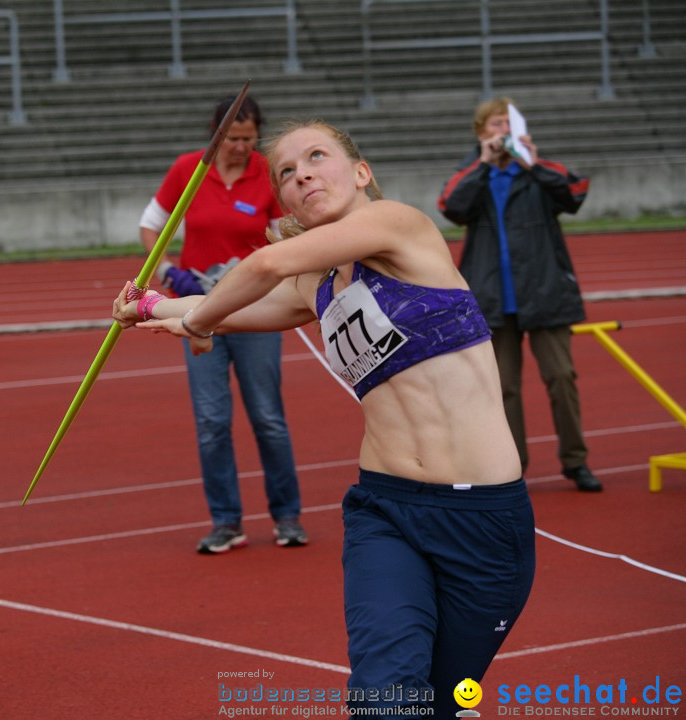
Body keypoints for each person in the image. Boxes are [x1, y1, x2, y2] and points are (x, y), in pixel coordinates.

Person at [114, 120, 536, 717]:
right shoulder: (313, 284)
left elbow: (256, 273)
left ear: (360, 173)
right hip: (386, 511)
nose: (302, 173)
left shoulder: (398, 226)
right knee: (384, 695)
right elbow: (241, 300)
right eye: (286, 173)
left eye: (316, 157)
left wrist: (200, 322)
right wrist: (150, 305)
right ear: (284, 200)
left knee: (441, 703)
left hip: (483, 519)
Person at [137, 94, 305, 554]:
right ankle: (226, 520)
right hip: (198, 309)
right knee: (211, 420)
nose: (239, 148)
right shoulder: (189, 169)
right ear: (216, 135)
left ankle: (287, 515)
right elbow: (151, 226)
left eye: (248, 139)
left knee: (268, 417)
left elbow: (289, 234)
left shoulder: (267, 173)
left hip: (253, 309)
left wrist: (256, 261)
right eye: (232, 138)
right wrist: (168, 273)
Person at [438, 97, 600, 492]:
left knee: (561, 377)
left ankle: (576, 462)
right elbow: (451, 206)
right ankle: (513, 467)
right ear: (480, 133)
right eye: (495, 125)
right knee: (503, 388)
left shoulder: (538, 171)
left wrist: (532, 162)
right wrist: (484, 163)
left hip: (545, 293)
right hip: (494, 298)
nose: (503, 132)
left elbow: (576, 192)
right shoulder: (471, 173)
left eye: (508, 124)